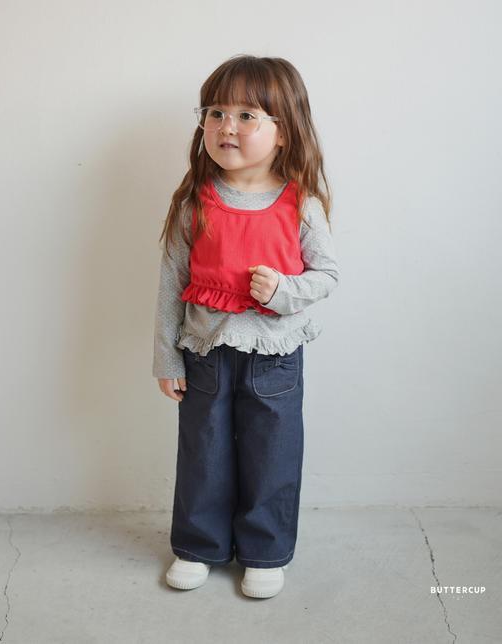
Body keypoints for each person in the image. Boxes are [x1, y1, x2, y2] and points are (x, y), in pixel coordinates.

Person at [152, 54, 339, 599]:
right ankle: (198, 546)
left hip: (275, 359)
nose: (226, 126)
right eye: (215, 113)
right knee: (203, 452)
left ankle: (265, 550)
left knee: (272, 454)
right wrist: (166, 357)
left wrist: (283, 292)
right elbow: (170, 283)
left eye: (246, 115)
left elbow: (327, 275)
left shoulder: (300, 204)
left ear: (284, 130)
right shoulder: (194, 204)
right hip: (205, 355)